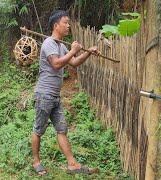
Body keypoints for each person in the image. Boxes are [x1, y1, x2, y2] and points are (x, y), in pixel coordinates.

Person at [31, 10, 99, 175]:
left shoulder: (61, 46)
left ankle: (72, 164)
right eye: (65, 22)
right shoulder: (48, 43)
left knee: (61, 129)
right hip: (44, 95)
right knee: (38, 129)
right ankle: (36, 162)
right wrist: (73, 50)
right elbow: (56, 64)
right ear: (56, 25)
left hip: (55, 96)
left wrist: (87, 52)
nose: (68, 26)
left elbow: (74, 63)